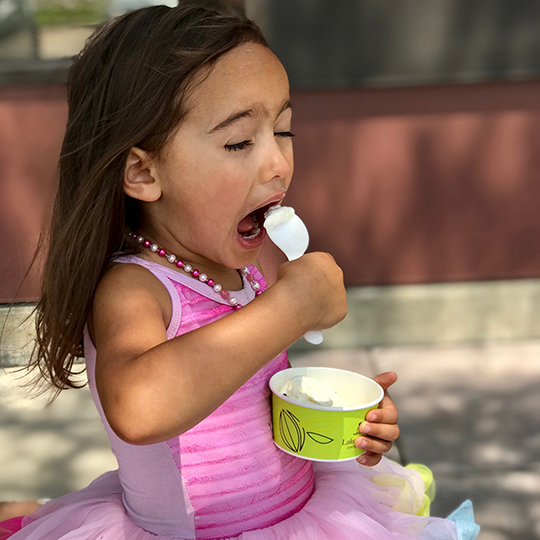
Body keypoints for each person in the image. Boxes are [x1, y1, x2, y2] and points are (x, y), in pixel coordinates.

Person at [0, 5, 480, 539]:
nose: (277, 163)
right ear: (143, 171)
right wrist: (291, 306)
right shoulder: (135, 288)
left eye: (284, 131)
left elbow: (248, 408)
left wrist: (338, 421)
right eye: (239, 142)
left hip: (304, 516)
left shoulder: (243, 271)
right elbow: (137, 407)